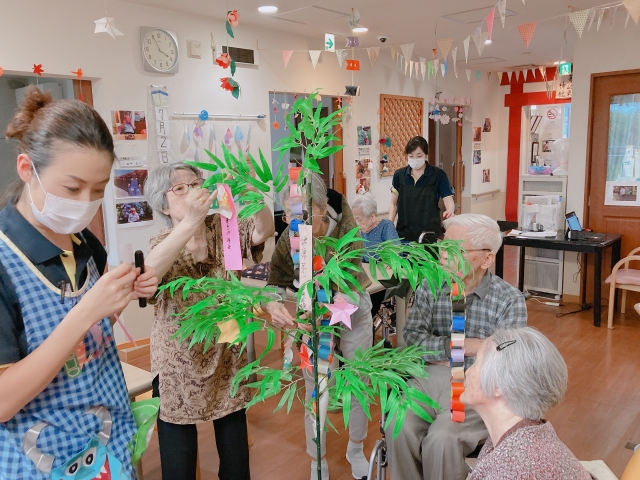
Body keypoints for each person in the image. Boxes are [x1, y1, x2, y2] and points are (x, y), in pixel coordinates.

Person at [0, 87, 158, 479]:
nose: (85, 203)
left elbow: (92, 336)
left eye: (99, 190)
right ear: (26, 169)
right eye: (72, 188)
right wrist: (86, 312)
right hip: (40, 460)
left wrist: (120, 296)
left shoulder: (83, 242)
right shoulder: (5, 262)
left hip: (106, 447)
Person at [143, 162, 275, 480]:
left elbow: (263, 231)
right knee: (179, 465)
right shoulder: (162, 243)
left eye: (196, 183)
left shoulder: (223, 226)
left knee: (235, 460)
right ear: (163, 205)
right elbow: (149, 274)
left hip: (226, 352)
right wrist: (190, 223)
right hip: (178, 361)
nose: (192, 191)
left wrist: (252, 192)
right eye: (180, 188)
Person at [389, 213, 528, 480]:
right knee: (398, 423)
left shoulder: (510, 300)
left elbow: (507, 362)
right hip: (429, 380)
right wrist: (466, 346)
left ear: (486, 259)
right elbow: (413, 339)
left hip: (479, 388)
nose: (443, 255)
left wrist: (447, 353)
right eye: (443, 245)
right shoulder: (430, 286)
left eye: (454, 249)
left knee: (442, 439)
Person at [264, 172, 373, 480]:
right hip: (312, 320)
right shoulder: (290, 237)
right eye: (289, 214)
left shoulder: (346, 229)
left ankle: (356, 448)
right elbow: (274, 283)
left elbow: (348, 287)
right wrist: (273, 305)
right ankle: (317, 461)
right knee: (316, 390)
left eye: (302, 213)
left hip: (350, 310)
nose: (295, 222)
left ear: (323, 208)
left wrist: (319, 316)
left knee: (357, 382)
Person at [463, 327, 594, 479]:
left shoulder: (513, 469)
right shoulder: (524, 439)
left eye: (476, 363)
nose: (467, 372)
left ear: (497, 386)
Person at [389, 136, 455, 242]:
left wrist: (450, 210)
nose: (415, 159)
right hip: (404, 234)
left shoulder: (438, 175)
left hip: (429, 234)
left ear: (426, 155)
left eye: (419, 155)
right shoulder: (399, 175)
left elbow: (448, 199)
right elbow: (393, 204)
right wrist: (389, 225)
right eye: (411, 156)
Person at [351, 192, 399, 320]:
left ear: (372, 217)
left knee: (366, 308)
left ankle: (366, 327)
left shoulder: (386, 226)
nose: (356, 223)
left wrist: (390, 260)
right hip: (364, 280)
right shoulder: (359, 232)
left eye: (359, 219)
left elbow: (395, 250)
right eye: (354, 219)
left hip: (381, 283)